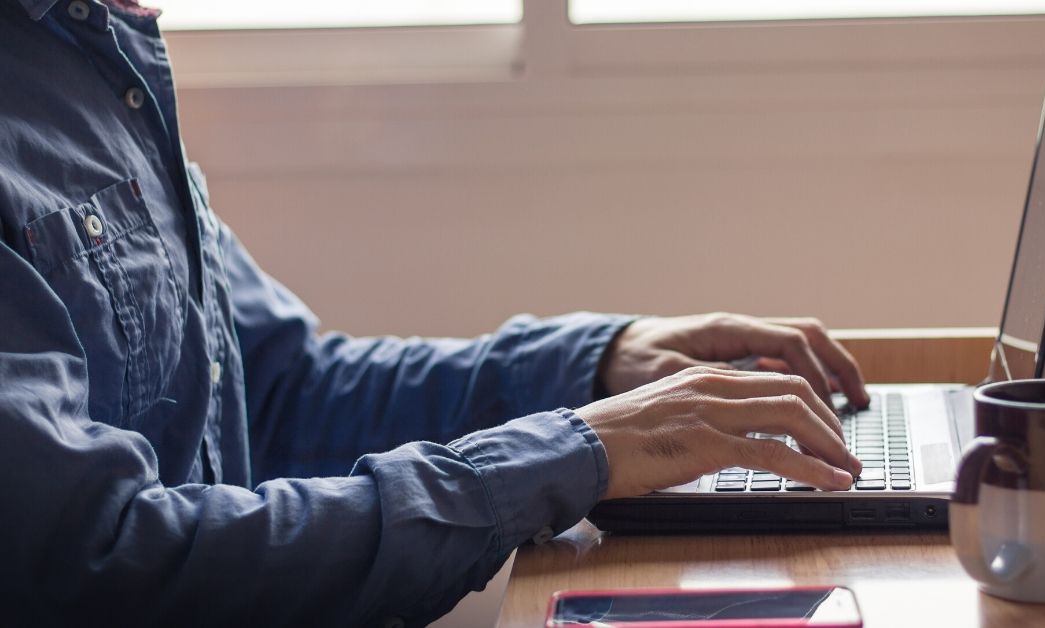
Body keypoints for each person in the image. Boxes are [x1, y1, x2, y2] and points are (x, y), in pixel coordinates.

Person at [0, 1, 866, 625]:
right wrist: (566, 453)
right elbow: (100, 560)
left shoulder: (99, 59)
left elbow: (280, 391)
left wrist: (595, 366)